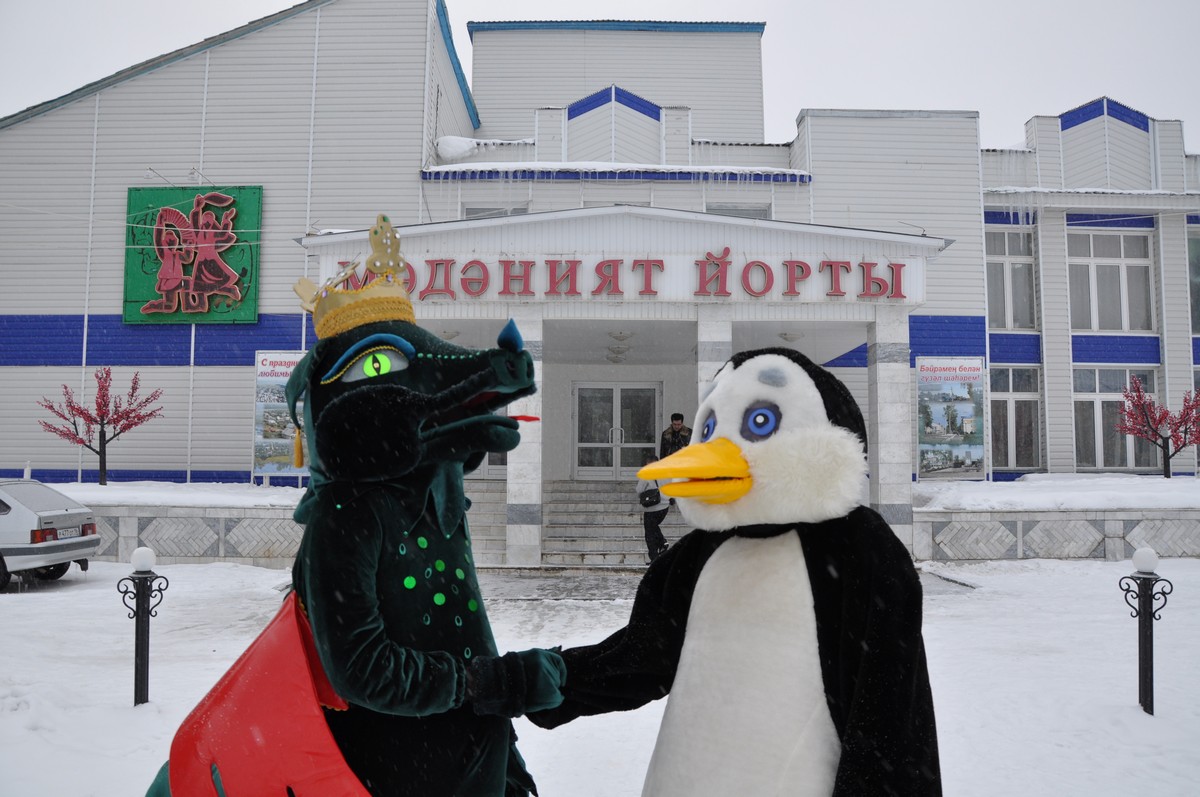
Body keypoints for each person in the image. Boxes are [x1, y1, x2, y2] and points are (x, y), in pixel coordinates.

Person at [636, 453, 670, 561]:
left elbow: (639, 490)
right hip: (664, 507)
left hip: (652, 507)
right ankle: (661, 545)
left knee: (649, 533)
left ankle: (656, 553)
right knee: (653, 528)